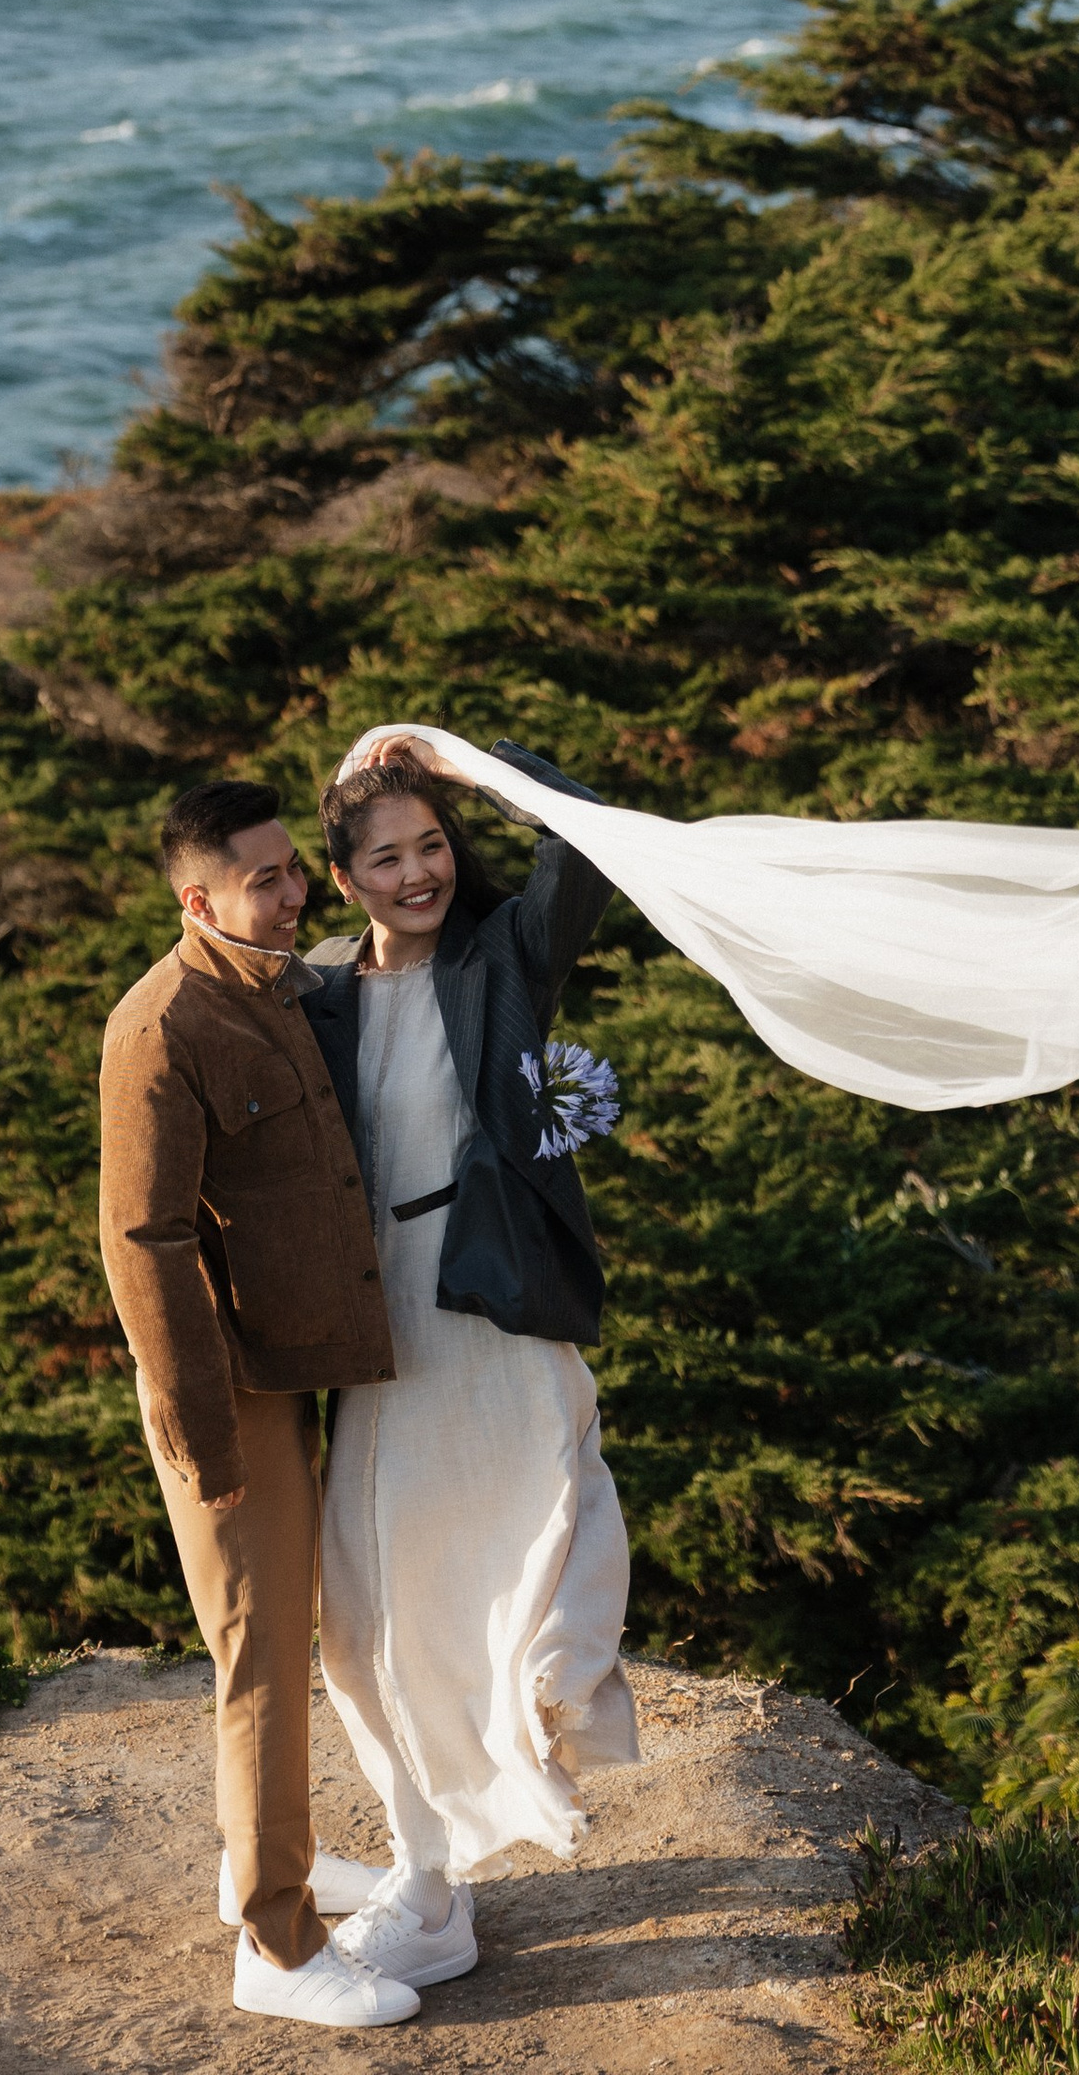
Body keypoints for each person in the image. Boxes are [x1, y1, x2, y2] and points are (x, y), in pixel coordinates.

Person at [295, 737, 642, 1994]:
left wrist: (472, 762)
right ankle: (416, 1845)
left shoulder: (503, 958)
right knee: (361, 1604)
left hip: (483, 1306)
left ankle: (433, 1891)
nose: (416, 873)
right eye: (384, 856)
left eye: (431, 843)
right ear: (343, 879)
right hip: (366, 1324)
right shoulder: (319, 988)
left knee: (486, 1572)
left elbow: (587, 831)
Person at [97, 779, 424, 2028]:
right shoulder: (162, 1027)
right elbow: (143, 1240)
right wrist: (202, 1437)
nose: (296, 895)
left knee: (311, 1635)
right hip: (230, 1397)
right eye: (266, 882)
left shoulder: (287, 982)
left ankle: (263, 1860)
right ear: (198, 900)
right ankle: (277, 1947)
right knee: (260, 1656)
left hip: (304, 1371)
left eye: (296, 871)